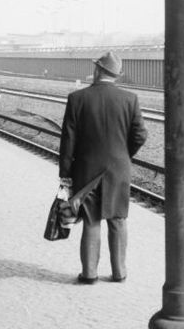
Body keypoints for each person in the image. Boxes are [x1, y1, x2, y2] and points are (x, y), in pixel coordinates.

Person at [58, 50, 147, 284]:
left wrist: (65, 174)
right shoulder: (130, 99)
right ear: (117, 75)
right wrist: (124, 155)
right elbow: (140, 135)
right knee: (118, 219)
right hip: (118, 170)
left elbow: (68, 141)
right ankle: (119, 273)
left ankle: (89, 274)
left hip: (86, 170)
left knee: (91, 220)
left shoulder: (77, 98)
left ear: (97, 70)